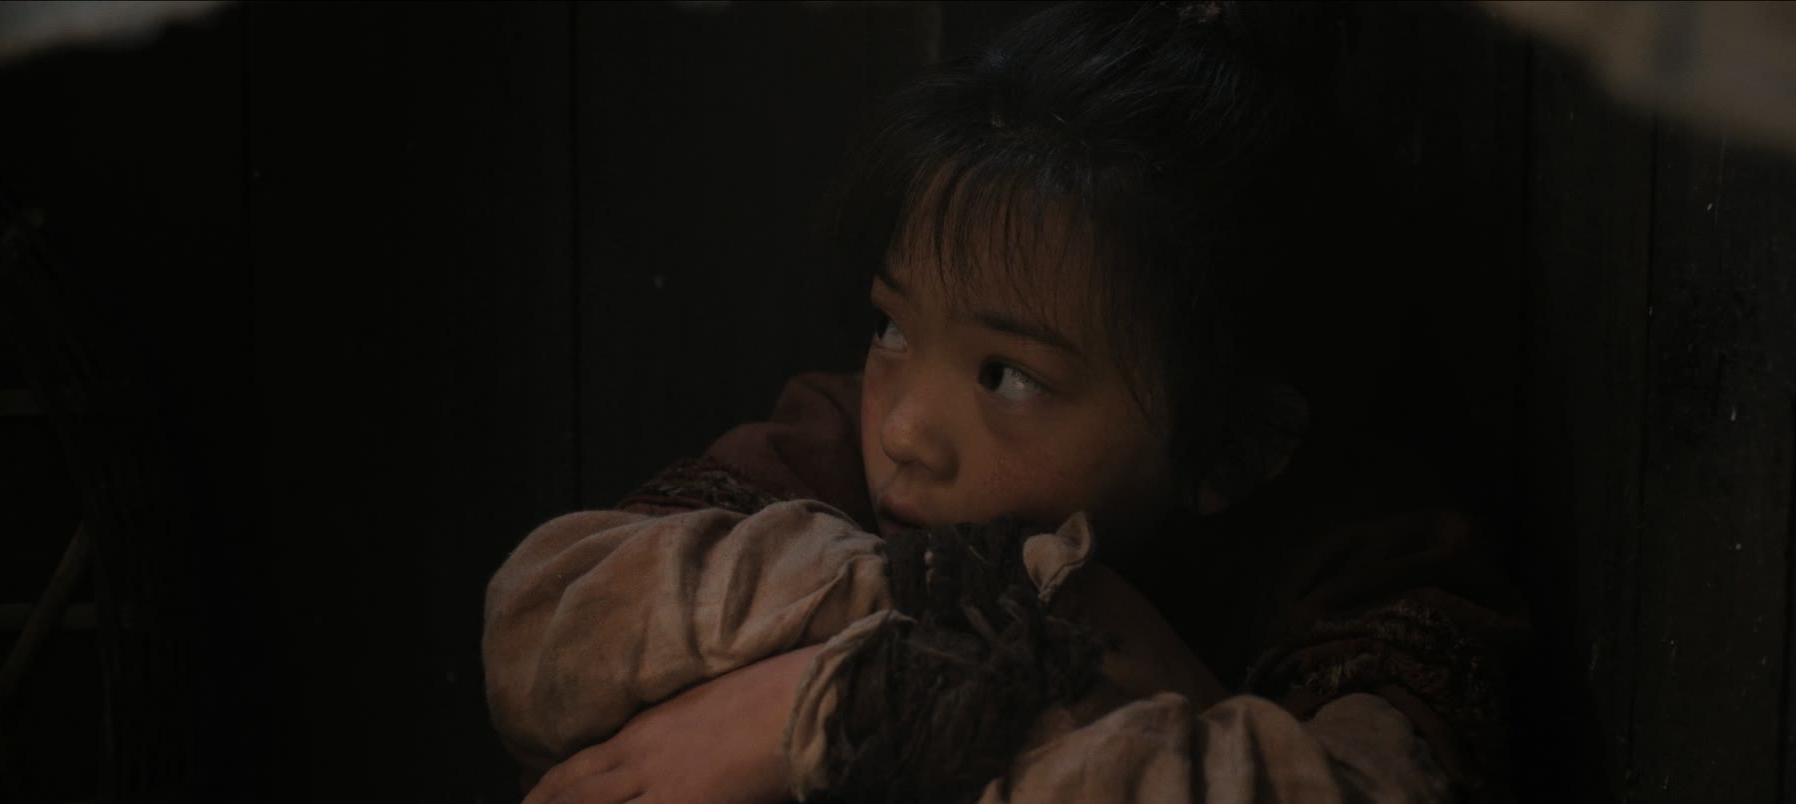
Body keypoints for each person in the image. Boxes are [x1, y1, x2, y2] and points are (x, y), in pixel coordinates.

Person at [483, 2, 1523, 801]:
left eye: (1007, 378)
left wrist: (836, 707)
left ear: (1237, 446)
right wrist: (1046, 634)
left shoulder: (1370, 575)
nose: (903, 430)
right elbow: (549, 623)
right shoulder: (834, 434)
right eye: (892, 328)